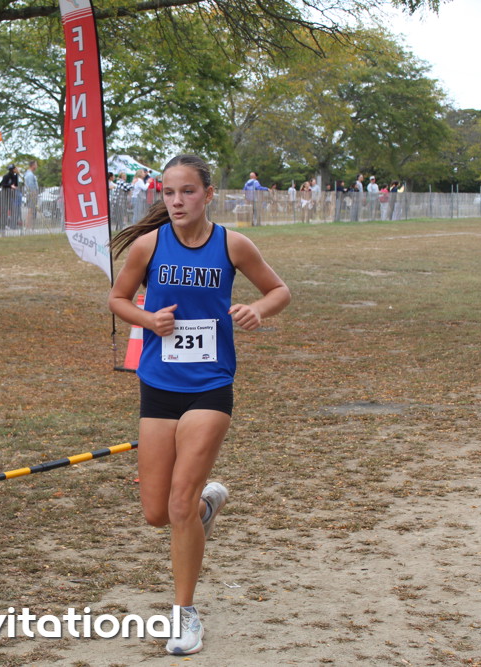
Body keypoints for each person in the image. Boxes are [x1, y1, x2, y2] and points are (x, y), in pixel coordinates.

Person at [108, 154, 291, 656]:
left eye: (187, 191)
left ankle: (185, 614)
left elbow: (279, 290)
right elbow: (117, 299)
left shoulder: (232, 244)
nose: (177, 201)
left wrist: (257, 309)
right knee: (156, 513)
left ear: (208, 194)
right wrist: (148, 320)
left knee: (178, 502)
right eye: (168, 193)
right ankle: (206, 505)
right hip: (158, 384)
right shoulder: (149, 245)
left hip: (210, 384)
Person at [0, 164, 18, 235]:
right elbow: (2, 184)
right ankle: (2, 228)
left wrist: (17, 175)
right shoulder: (6, 176)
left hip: (11, 196)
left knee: (13, 212)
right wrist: (10, 186)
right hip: (4, 196)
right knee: (4, 212)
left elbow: (16, 184)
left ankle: (12, 226)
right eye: (15, 168)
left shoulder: (15, 176)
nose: (16, 169)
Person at [24, 160, 39, 229]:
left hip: (31, 193)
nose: (37, 166)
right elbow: (30, 185)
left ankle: (29, 226)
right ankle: (28, 226)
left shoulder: (29, 174)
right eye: (36, 164)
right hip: (31, 194)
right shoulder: (30, 175)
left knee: (31, 210)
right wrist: (34, 193)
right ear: (33, 165)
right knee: (31, 210)